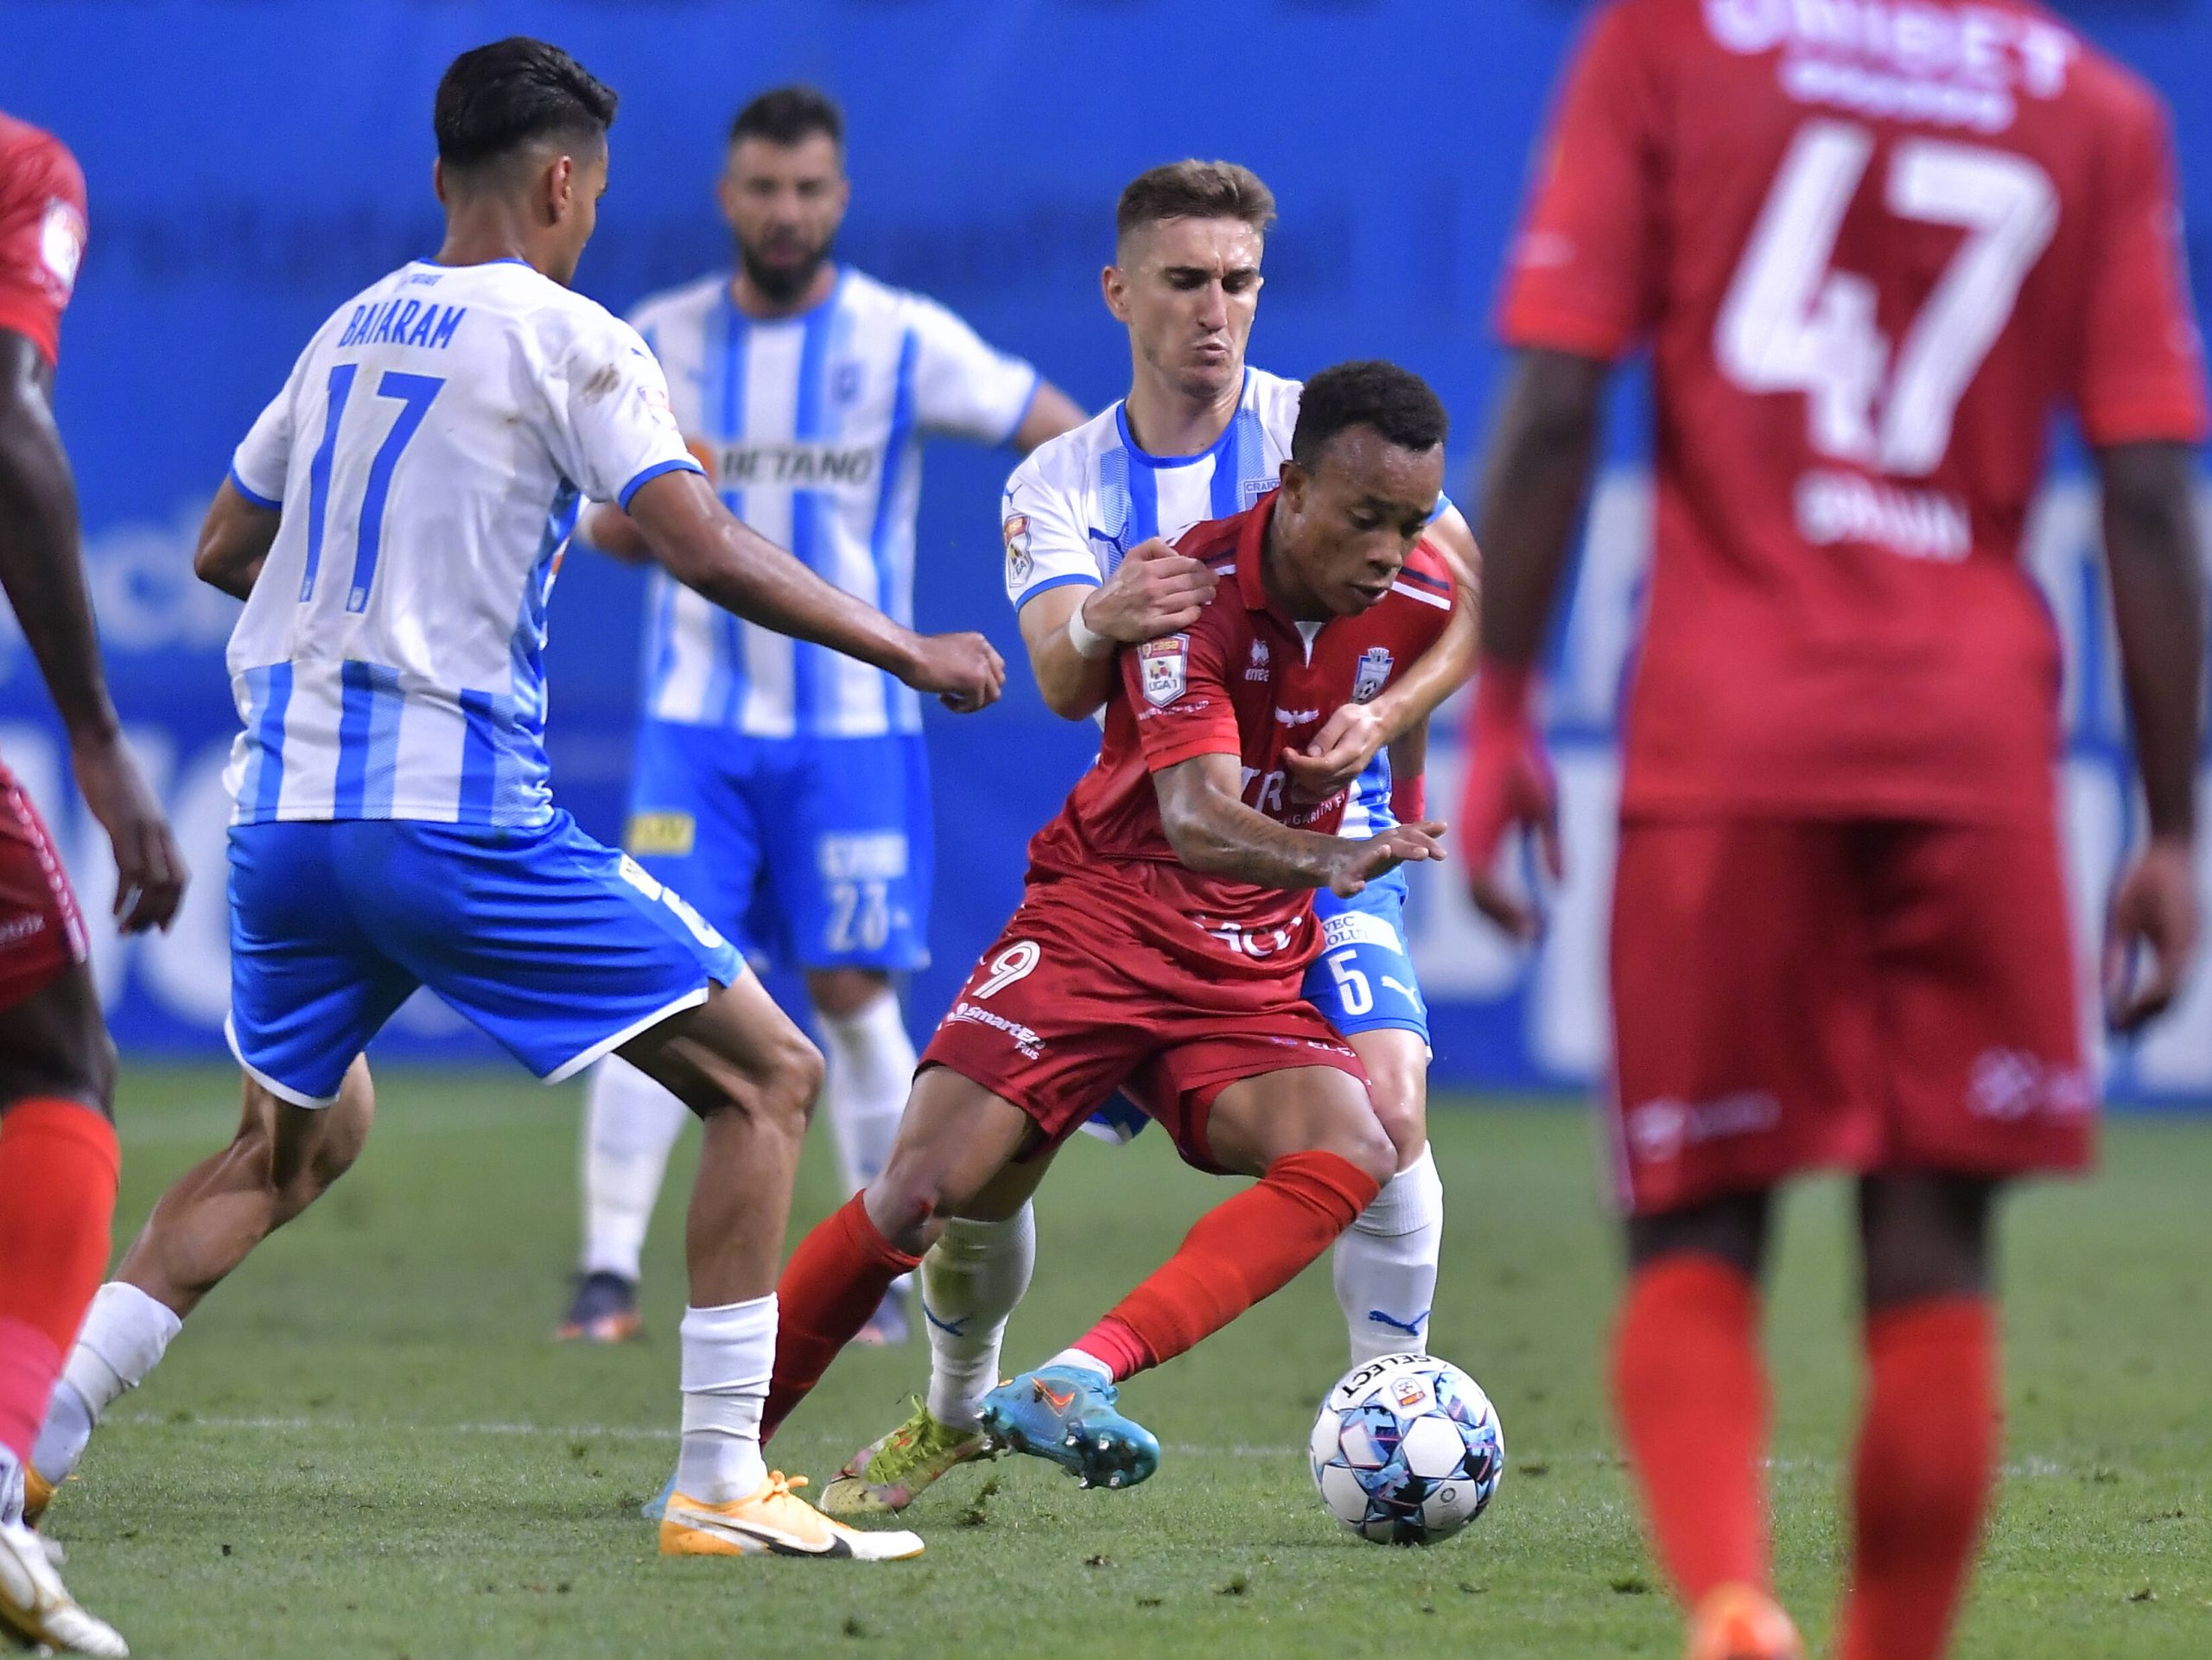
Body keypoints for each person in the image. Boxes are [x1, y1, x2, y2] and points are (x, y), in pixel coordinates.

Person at [29, 37, 1007, 1565]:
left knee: (286, 1148)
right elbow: (700, 542)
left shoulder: (348, 327)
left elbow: (229, 542)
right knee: (768, 1078)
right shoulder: (580, 339)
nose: (594, 219)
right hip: (452, 820)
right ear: (564, 182)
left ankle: (34, 1440)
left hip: (282, 823)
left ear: (441, 177)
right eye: (596, 194)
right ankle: (718, 1478)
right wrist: (908, 645)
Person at [1462, 4, 2207, 1657]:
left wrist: (1502, 711)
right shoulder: (2096, 108)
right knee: (1935, 1247)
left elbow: (1559, 401)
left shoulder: (1667, 45)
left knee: (1696, 1220)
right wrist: (2170, 825)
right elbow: (2152, 498)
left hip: (1732, 729)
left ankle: (1734, 1601)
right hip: (1974, 741)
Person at [820, 159, 1478, 1517]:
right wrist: (1111, 617)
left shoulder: (1327, 433)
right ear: (1123, 292)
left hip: (1322, 843)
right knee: (978, 1187)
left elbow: (1462, 600)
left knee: (1388, 1121)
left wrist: (1384, 726)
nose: (1216, 312)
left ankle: (1385, 1428)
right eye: (1186, 281)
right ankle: (953, 1411)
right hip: (1143, 872)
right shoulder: (1061, 482)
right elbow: (1062, 682)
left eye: (1239, 281)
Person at [556, 85, 1083, 1349]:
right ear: (726, 197)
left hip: (853, 726)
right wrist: (658, 505)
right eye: (762, 188)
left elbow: (1058, 434)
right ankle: (603, 1274)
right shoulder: (653, 341)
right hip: (700, 725)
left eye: (807, 190)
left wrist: (1068, 561)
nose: (784, 211)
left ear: (837, 199)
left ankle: (882, 1272)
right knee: (652, 984)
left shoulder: (902, 338)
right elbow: (597, 528)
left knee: (849, 989)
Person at [0, 107, 187, 1658]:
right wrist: (101, 742)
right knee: (58, 1055)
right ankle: (2, 1461)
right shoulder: (21, 167)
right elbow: (7, 422)